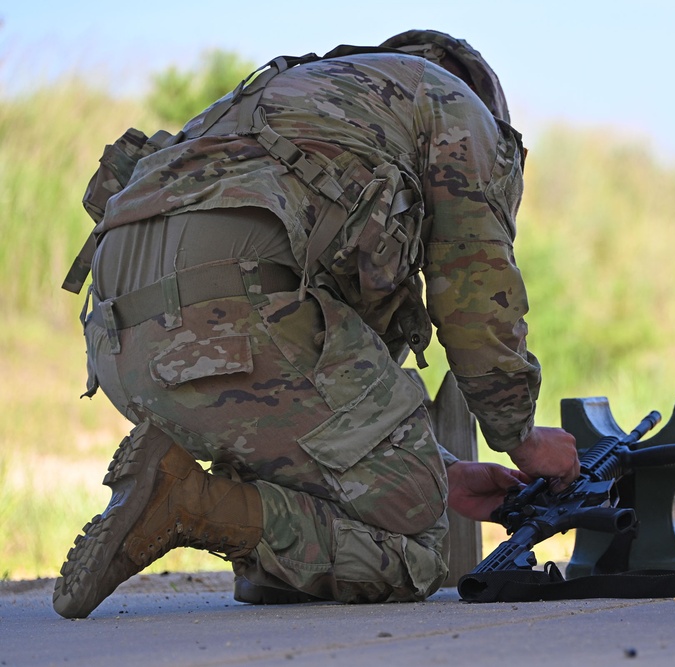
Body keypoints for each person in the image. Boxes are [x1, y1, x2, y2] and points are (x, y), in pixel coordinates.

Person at [52, 30, 580, 619]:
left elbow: (329, 388)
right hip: (234, 317)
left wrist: (440, 469)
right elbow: (475, 290)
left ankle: (214, 508)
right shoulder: (456, 106)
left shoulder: (285, 98)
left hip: (118, 343)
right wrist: (523, 439)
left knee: (362, 513)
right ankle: (188, 503)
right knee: (419, 550)